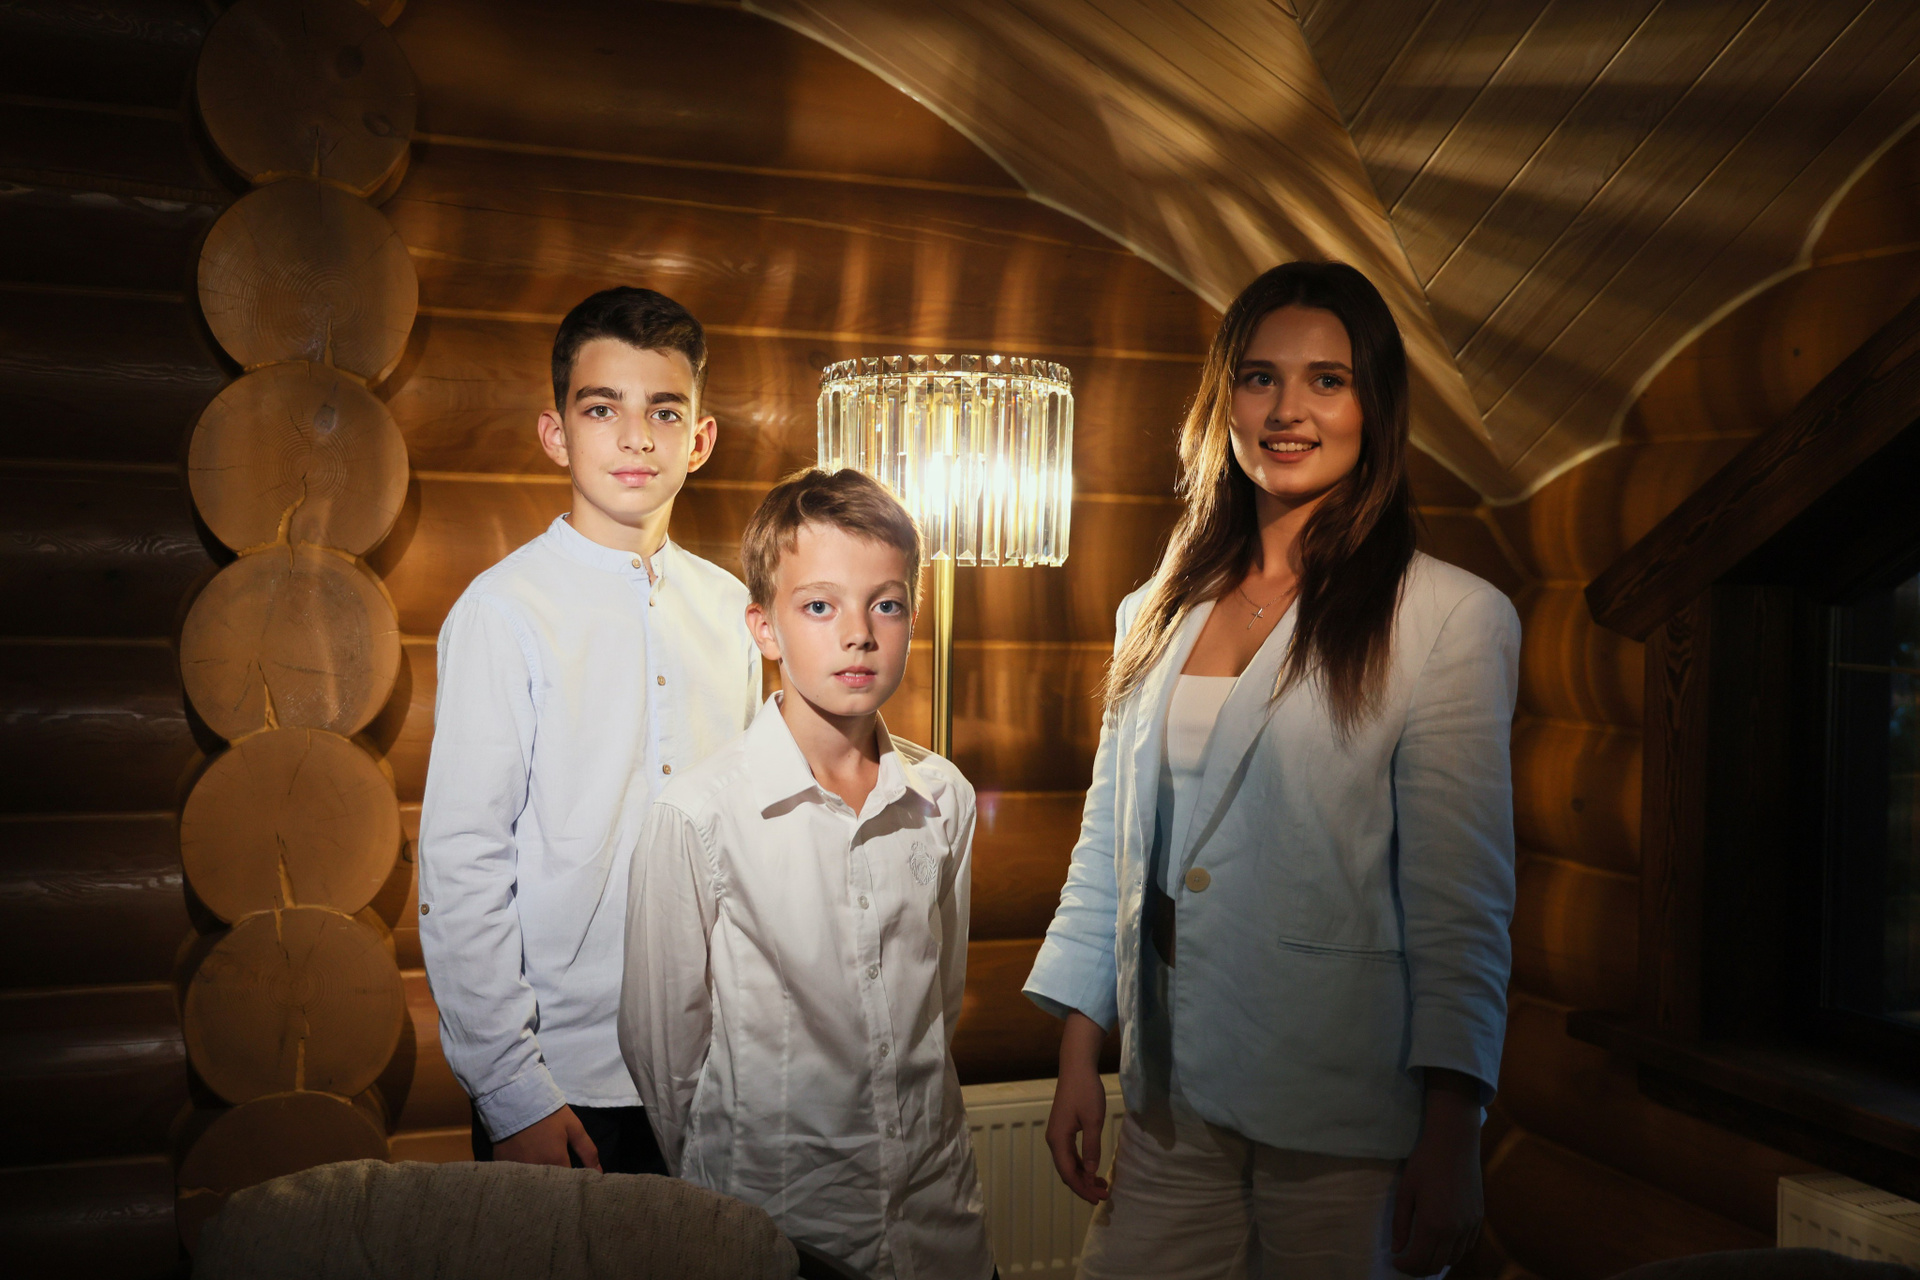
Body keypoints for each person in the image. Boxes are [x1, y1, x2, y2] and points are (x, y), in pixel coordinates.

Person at [1023, 261, 1520, 1279]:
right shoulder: (1156, 609)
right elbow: (1109, 848)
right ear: (1225, 401)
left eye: (1327, 380)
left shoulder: (1449, 617)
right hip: (1170, 1091)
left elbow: (1460, 904)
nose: (1289, 409)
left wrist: (1454, 1128)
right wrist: (1081, 1049)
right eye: (1260, 377)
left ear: (1375, 406)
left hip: (1344, 1103)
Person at [417, 287, 761, 1175]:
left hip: (717, 1075)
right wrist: (511, 1092)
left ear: (700, 439)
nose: (636, 437)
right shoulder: (503, 611)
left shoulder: (735, 611)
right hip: (562, 1083)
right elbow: (462, 864)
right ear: (557, 434)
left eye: (664, 411)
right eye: (602, 409)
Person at [620, 468, 994, 1280]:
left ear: (912, 618)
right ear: (765, 628)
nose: (858, 634)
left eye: (885, 604)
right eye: (820, 606)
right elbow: (665, 1058)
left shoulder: (944, 799)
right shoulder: (698, 816)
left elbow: (938, 1002)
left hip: (938, 1224)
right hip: (780, 1227)